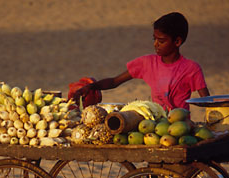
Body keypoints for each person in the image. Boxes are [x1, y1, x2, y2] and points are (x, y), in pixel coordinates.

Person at [72, 12, 210, 111]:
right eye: (154, 39)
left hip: (181, 126)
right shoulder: (147, 63)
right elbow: (114, 81)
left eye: (161, 41)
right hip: (155, 124)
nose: (156, 44)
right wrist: (92, 87)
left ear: (177, 42)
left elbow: (206, 101)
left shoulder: (191, 69)